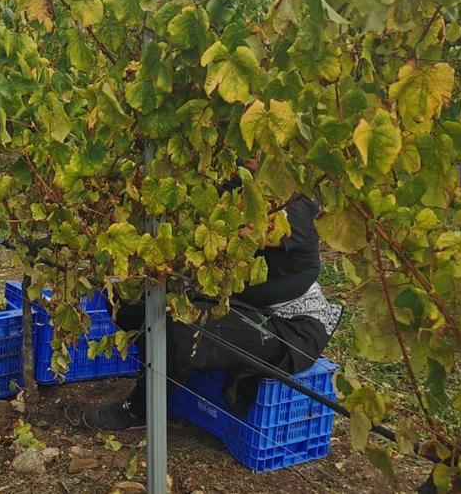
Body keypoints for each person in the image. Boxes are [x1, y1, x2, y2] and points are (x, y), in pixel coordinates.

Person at [82, 168, 342, 430]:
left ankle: (141, 410)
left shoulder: (296, 201)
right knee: (126, 300)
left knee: (180, 328)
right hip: (229, 298)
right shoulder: (231, 177)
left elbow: (252, 231)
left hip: (287, 324)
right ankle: (163, 374)